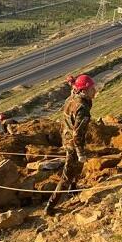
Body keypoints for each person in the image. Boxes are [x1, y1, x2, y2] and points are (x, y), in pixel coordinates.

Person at [45, 74, 96, 216]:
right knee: (66, 176)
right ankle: (50, 206)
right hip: (73, 143)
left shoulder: (73, 97)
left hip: (66, 137)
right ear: (84, 91)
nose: (95, 91)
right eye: (92, 89)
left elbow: (74, 89)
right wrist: (80, 153)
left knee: (78, 167)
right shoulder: (82, 108)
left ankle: (73, 189)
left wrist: (73, 82)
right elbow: (77, 134)